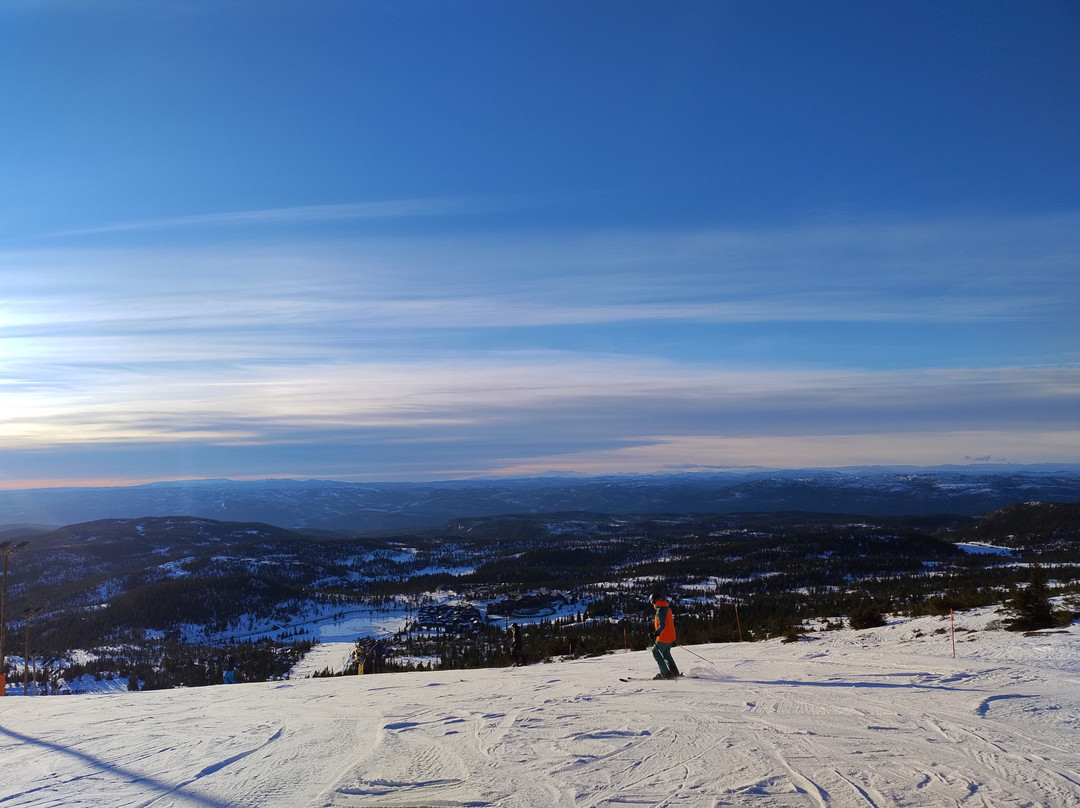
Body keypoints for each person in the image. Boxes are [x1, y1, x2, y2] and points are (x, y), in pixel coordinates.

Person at [650, 593, 680, 679]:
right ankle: (675, 673)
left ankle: (665, 673)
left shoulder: (661, 611)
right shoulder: (666, 608)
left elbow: (662, 626)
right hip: (670, 636)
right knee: (666, 653)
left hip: (663, 636)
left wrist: (655, 633)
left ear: (654, 601)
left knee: (655, 652)